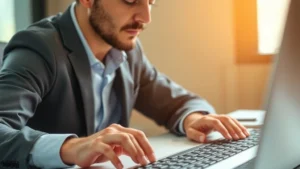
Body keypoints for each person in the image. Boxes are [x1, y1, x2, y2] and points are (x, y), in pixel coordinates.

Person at [0, 0, 250, 168]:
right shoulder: (39, 48)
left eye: (151, 1)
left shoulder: (126, 51)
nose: (146, 17)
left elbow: (178, 101)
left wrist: (192, 119)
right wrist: (71, 147)